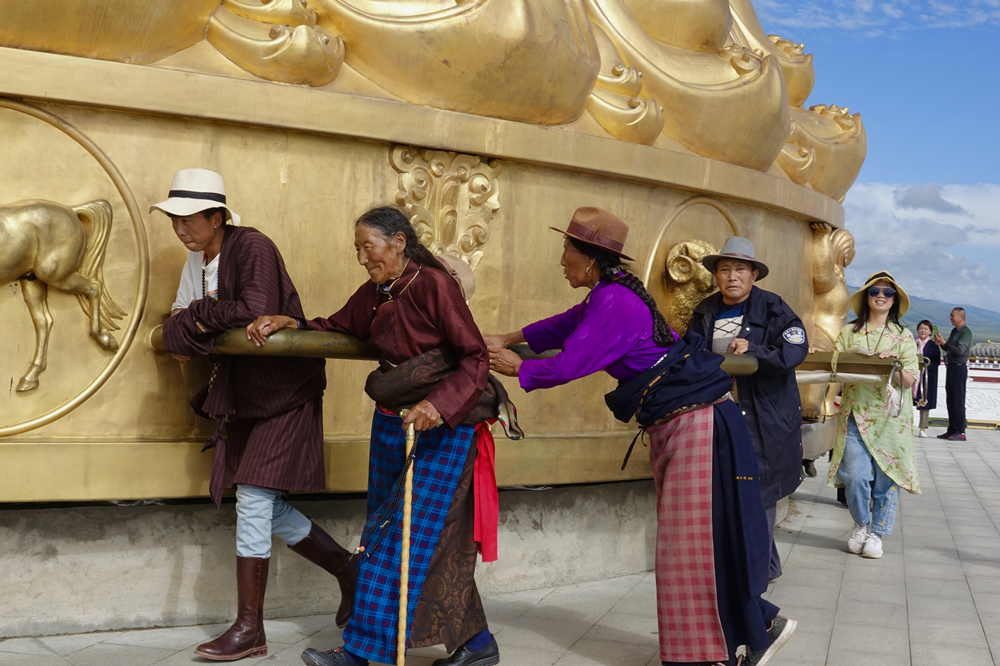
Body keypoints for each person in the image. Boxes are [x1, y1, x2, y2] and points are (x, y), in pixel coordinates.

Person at [486, 207, 796, 666]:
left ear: (589, 259)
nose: (561, 260)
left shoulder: (616, 302)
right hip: (686, 420)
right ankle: (761, 626)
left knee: (689, 547)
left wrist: (522, 368)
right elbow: (566, 324)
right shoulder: (608, 294)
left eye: (566, 251)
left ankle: (707, 654)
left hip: (697, 423)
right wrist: (510, 336)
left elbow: (572, 361)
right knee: (703, 541)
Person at [247, 206, 512, 666]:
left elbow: (474, 358)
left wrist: (438, 405)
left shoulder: (433, 285)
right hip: (394, 420)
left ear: (399, 242)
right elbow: (341, 325)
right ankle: (478, 643)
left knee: (394, 536)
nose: (362, 257)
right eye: (357, 249)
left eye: (368, 246)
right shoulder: (378, 290)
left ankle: (362, 652)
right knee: (413, 534)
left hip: (444, 427)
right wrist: (297, 323)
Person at [156, 169, 357, 661]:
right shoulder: (197, 258)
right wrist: (203, 317)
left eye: (189, 218)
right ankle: (349, 570)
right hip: (243, 391)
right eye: (174, 219)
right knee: (260, 500)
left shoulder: (251, 247)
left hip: (284, 389)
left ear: (217, 216)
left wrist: (200, 318)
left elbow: (256, 309)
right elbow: (177, 319)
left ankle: (251, 630)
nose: (181, 229)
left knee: (251, 498)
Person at [689, 237, 807, 582]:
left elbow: (794, 351)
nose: (732, 276)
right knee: (729, 490)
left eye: (740, 269)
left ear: (754, 274)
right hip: (719, 415)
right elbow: (690, 357)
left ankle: (757, 574)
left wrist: (755, 350)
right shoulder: (704, 311)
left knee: (761, 491)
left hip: (764, 416)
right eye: (724, 269)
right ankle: (764, 565)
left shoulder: (774, 309)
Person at [827, 271, 920, 559]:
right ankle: (860, 524)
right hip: (855, 413)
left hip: (891, 419)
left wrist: (890, 366)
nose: (881, 296)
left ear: (894, 301)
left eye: (888, 293)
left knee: (886, 478)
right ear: (866, 297)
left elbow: (908, 380)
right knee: (855, 475)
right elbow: (834, 370)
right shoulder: (848, 333)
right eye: (875, 291)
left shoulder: (903, 336)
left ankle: (877, 534)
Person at [934, 307, 972, 441]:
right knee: (950, 400)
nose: (950, 318)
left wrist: (945, 343)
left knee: (958, 401)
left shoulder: (966, 332)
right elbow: (949, 348)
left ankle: (960, 431)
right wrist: (941, 343)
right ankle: (952, 430)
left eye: (952, 316)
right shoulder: (954, 331)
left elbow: (960, 351)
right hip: (951, 368)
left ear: (960, 317)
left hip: (959, 368)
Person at [913, 320, 940, 438]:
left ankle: (922, 428)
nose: (923, 331)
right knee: (908, 402)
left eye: (926, 329)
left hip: (926, 377)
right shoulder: (912, 343)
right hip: (913, 375)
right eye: (921, 328)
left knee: (924, 403)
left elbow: (937, 361)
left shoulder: (933, 345)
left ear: (930, 332)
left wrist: (926, 367)